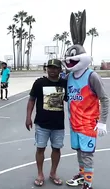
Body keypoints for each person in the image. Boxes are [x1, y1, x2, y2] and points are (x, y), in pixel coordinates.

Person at [63, 10, 109, 189]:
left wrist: (103, 122)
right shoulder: (70, 77)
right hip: (74, 123)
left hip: (89, 124)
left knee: (88, 154)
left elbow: (105, 99)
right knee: (79, 152)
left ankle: (88, 183)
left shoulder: (92, 76)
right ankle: (82, 175)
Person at [25, 59, 68, 187]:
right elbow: (31, 100)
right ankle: (40, 174)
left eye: (55, 68)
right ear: (46, 69)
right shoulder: (39, 83)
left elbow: (72, 100)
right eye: (50, 67)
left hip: (58, 124)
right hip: (42, 124)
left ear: (60, 70)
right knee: (40, 148)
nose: (52, 70)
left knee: (56, 149)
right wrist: (28, 117)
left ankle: (53, 173)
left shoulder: (65, 83)